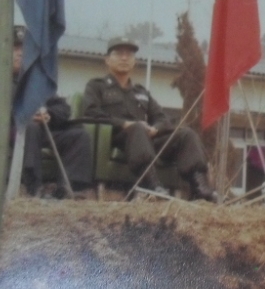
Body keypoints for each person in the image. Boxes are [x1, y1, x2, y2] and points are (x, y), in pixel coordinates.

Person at [81, 36, 217, 202]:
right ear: (107, 60)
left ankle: (200, 187)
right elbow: (91, 113)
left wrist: (155, 129)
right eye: (118, 53)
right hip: (116, 138)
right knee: (137, 128)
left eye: (129, 54)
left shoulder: (141, 92)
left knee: (186, 134)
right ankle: (152, 186)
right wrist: (124, 124)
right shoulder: (97, 86)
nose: (124, 58)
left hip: (144, 140)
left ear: (134, 62)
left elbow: (161, 118)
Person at [11, 26, 94, 199]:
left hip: (40, 131)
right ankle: (34, 187)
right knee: (31, 127)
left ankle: (68, 188)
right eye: (15, 48)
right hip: (10, 131)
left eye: (24, 49)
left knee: (79, 135)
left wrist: (49, 114)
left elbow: (63, 108)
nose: (20, 53)